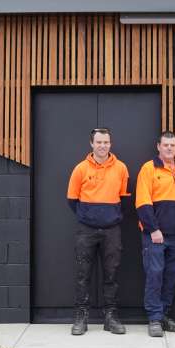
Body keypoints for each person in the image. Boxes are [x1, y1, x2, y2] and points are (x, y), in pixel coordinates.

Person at [66, 127, 130, 336]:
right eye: (99, 142)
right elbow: (72, 200)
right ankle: (81, 316)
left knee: (112, 274)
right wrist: (89, 217)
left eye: (106, 142)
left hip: (112, 230)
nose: (103, 146)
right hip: (86, 230)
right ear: (91, 144)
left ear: (111, 144)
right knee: (83, 274)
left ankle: (110, 317)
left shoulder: (121, 168)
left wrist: (108, 217)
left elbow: (124, 199)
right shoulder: (80, 169)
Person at [136, 131, 175, 337]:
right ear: (158, 146)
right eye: (166, 145)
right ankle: (154, 319)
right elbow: (143, 202)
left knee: (171, 277)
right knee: (155, 276)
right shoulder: (149, 169)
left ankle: (164, 315)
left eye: (173, 145)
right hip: (155, 235)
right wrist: (153, 229)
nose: (169, 148)